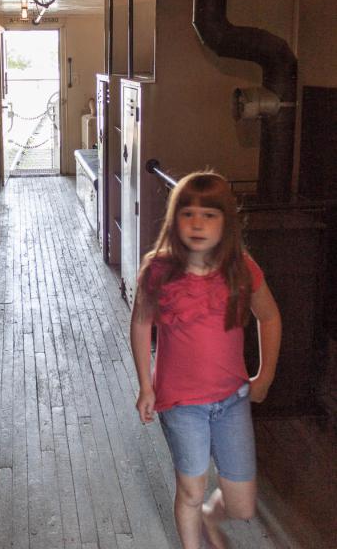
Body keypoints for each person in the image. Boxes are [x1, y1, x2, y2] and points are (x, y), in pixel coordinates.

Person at [130, 171, 281, 549]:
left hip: (232, 400)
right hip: (181, 403)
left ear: (226, 223)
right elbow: (141, 323)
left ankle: (211, 521)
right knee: (192, 491)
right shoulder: (158, 271)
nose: (197, 223)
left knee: (242, 507)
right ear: (174, 218)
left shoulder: (241, 268)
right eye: (188, 214)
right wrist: (145, 385)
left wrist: (263, 376)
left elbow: (270, 316)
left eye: (209, 215)